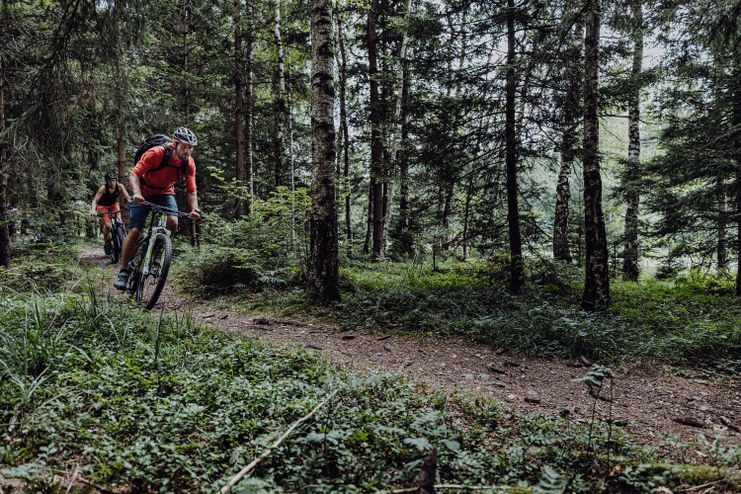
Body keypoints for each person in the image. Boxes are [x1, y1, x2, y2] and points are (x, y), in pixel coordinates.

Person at [113, 127, 201, 290]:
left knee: (173, 223)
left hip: (165, 193)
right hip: (144, 192)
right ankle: (123, 272)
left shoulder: (188, 163)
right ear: (175, 143)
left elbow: (191, 190)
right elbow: (134, 174)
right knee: (135, 230)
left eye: (190, 148)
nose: (187, 151)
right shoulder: (156, 153)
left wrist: (194, 209)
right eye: (184, 146)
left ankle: (158, 250)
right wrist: (137, 193)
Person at [91, 170, 131, 254]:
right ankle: (107, 243)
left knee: (119, 221)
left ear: (116, 180)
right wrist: (93, 210)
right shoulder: (103, 188)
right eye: (109, 180)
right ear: (107, 181)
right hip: (102, 206)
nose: (112, 182)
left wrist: (131, 201)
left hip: (113, 204)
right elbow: (95, 200)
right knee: (108, 226)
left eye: (113, 180)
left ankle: (122, 238)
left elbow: (127, 196)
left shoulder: (120, 186)